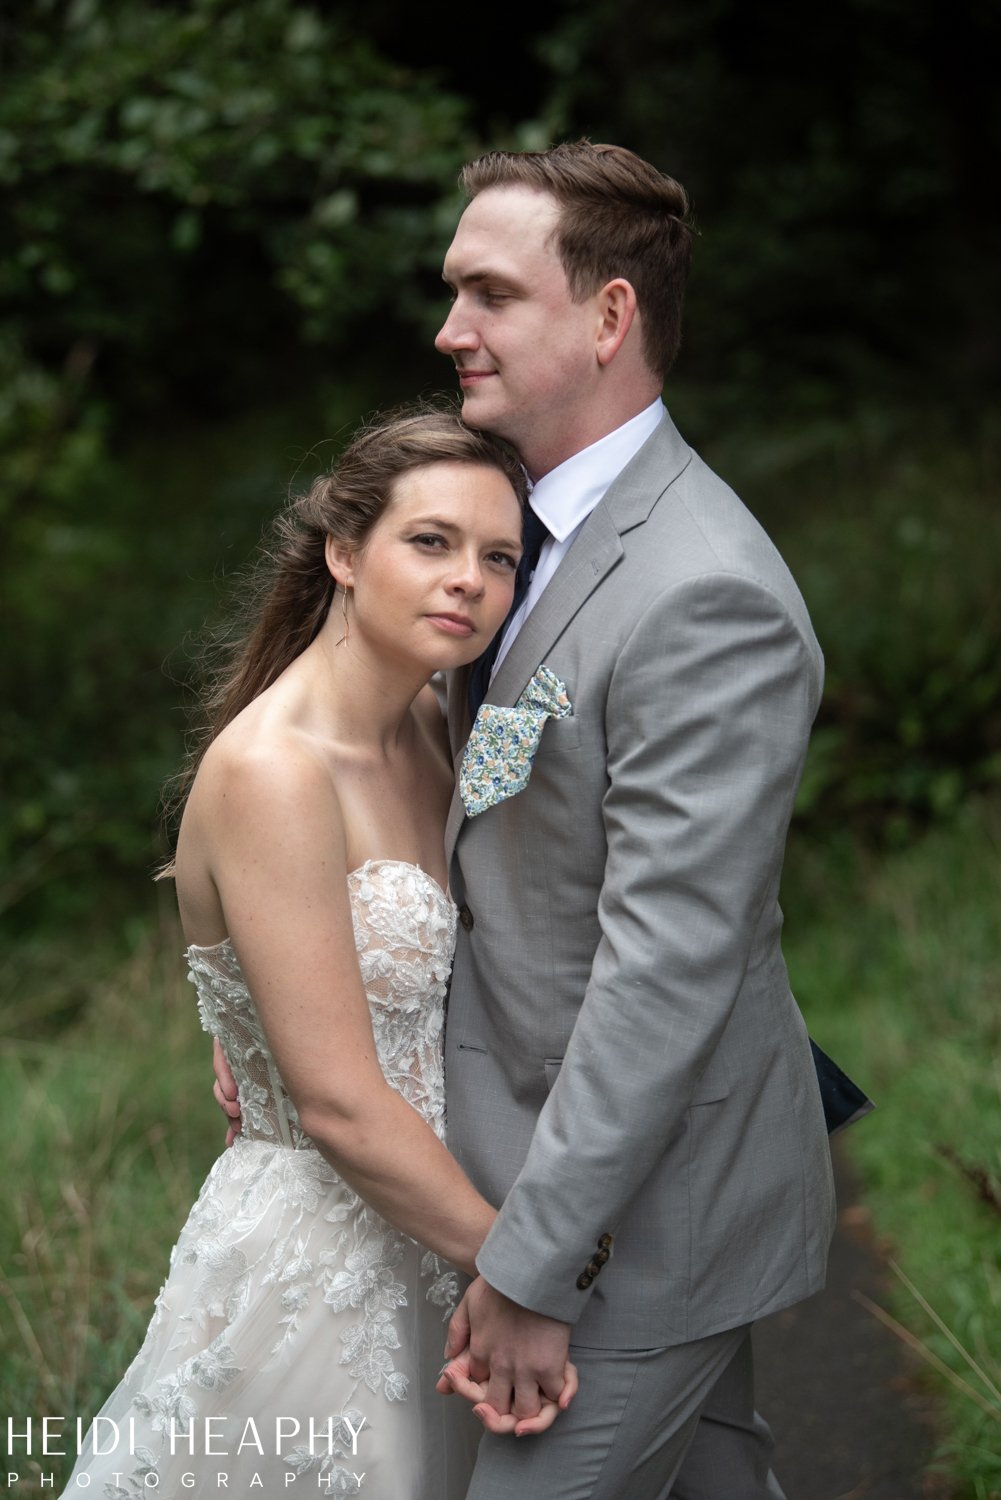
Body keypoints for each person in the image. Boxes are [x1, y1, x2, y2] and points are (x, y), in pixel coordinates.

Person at [58, 409, 577, 1500]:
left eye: (499, 558)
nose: (469, 582)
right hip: (327, 1259)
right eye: (429, 542)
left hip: (441, 1223)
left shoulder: (441, 722)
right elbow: (337, 1101)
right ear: (343, 553)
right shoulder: (274, 773)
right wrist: (523, 1271)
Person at [424, 142, 839, 1498]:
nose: (450, 331)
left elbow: (666, 966)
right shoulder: (504, 537)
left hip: (636, 1220)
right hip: (530, 1156)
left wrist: (533, 1267)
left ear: (608, 317)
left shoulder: (702, 594)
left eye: (490, 294)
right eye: (453, 293)